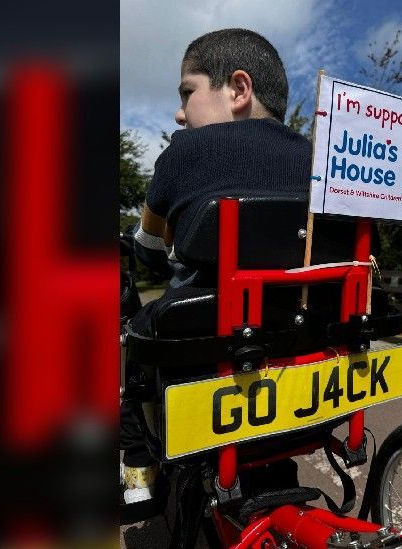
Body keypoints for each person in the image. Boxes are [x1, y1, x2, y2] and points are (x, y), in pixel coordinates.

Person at [122, 28, 311, 518]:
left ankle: (139, 466)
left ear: (238, 89)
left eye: (188, 92)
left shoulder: (181, 153)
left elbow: (148, 250)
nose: (180, 113)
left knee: (132, 345)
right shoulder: (316, 159)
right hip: (302, 344)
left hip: (206, 357)